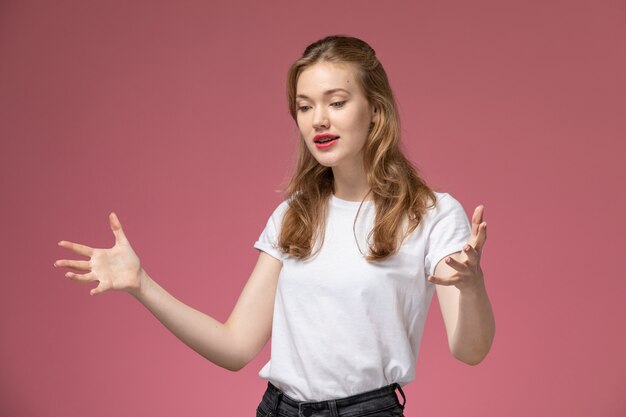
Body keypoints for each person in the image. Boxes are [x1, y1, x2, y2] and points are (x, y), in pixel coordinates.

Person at [54, 35, 495, 417]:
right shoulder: (294, 215)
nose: (318, 119)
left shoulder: (431, 213)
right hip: (278, 409)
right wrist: (141, 283)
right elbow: (234, 346)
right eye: (305, 107)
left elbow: (470, 350)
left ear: (376, 111)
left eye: (336, 102)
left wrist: (472, 286)